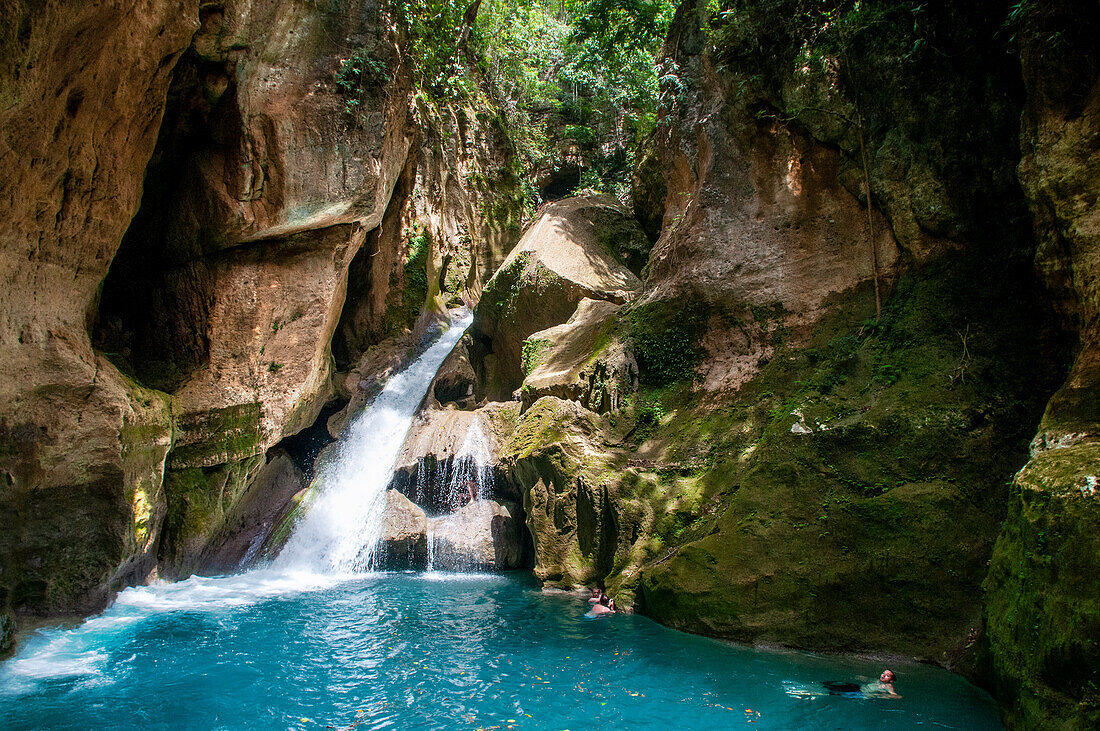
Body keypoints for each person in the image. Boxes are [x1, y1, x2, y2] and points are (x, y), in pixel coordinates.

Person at [822, 670, 901, 699]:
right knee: (840, 685)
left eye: (887, 675)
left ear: (891, 681)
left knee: (837, 692)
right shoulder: (877, 680)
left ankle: (821, 692)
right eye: (883, 673)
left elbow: (896, 696)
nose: (883, 675)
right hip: (859, 688)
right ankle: (825, 685)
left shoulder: (888, 686)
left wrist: (880, 696)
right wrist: (862, 678)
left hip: (862, 693)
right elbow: (867, 679)